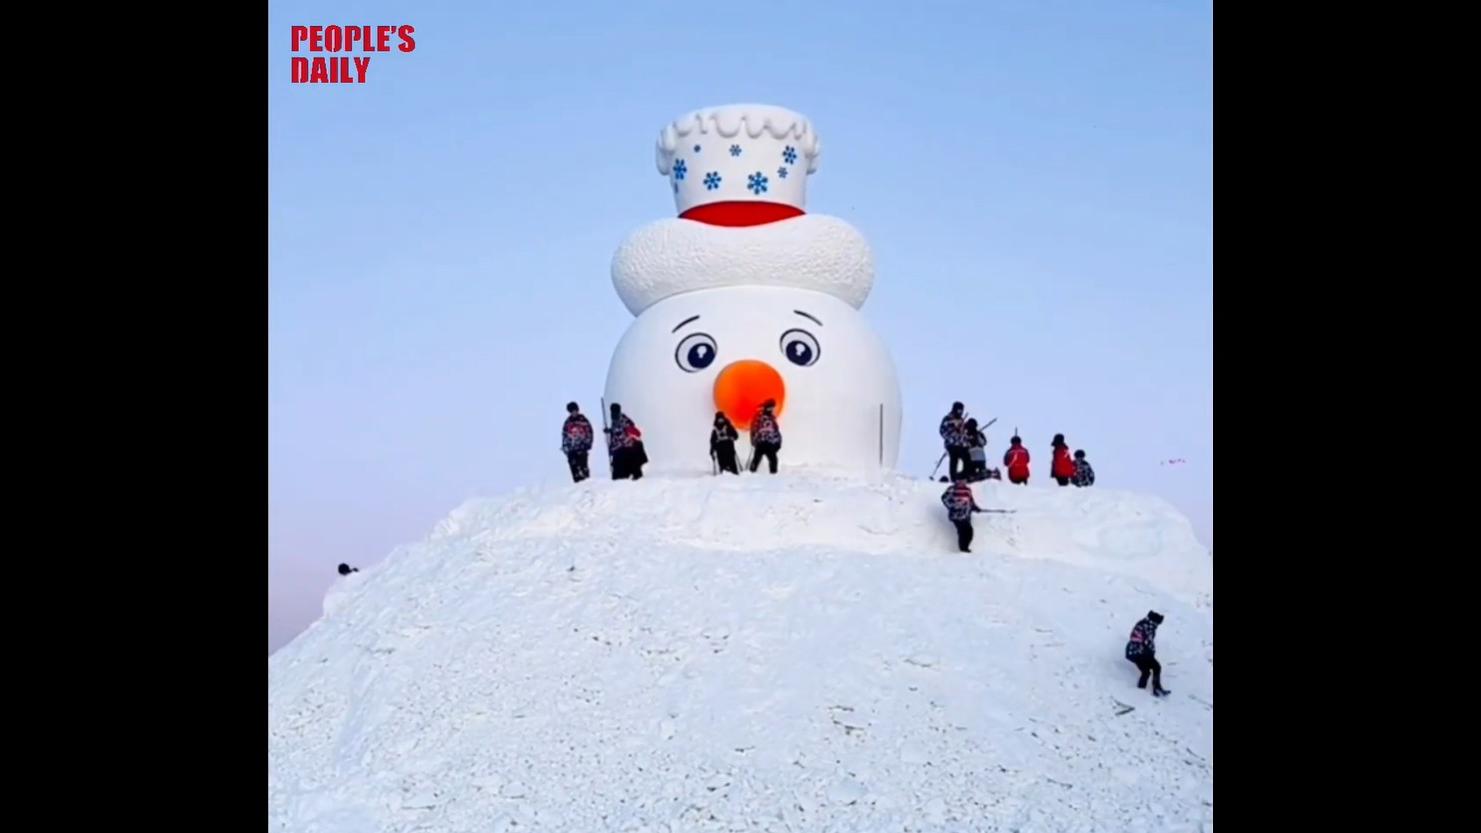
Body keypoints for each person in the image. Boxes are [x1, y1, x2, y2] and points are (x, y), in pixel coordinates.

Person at [1125, 610, 1170, 696]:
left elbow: (1149, 642)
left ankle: (1157, 688)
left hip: (1143, 653)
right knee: (1146, 671)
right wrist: (1146, 651)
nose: (1158, 626)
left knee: (1156, 667)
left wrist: (1151, 652)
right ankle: (1140, 693)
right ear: (1154, 621)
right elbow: (1135, 639)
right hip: (1135, 653)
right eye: (1158, 623)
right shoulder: (1143, 626)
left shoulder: (1150, 626)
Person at [940, 477, 983, 553]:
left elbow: (971, 501)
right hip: (956, 515)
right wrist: (953, 506)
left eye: (963, 480)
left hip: (965, 515)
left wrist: (975, 508)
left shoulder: (967, 490)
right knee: (964, 531)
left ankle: (964, 548)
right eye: (959, 480)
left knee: (969, 531)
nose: (962, 482)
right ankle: (963, 549)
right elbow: (944, 498)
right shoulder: (952, 489)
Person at [606, 403, 645, 480]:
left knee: (630, 473)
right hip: (618, 451)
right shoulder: (614, 421)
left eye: (615, 411)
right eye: (612, 411)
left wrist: (629, 432)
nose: (613, 414)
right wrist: (610, 431)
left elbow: (636, 433)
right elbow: (615, 434)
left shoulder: (625, 421)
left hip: (627, 450)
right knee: (617, 477)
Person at [560, 402, 594, 483]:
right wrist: (565, 447)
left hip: (582, 449)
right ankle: (578, 485)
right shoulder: (567, 423)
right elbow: (565, 436)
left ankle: (586, 484)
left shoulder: (583, 420)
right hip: (572, 450)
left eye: (575, 410)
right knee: (574, 469)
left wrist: (588, 444)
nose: (574, 412)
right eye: (572, 411)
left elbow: (589, 432)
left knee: (583, 468)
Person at [748, 399, 782, 474]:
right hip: (761, 442)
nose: (771, 409)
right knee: (756, 459)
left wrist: (778, 442)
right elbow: (753, 428)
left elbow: (776, 431)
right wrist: (753, 440)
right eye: (770, 408)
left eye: (772, 408)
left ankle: (773, 475)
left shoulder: (772, 418)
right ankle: (750, 474)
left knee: (773, 460)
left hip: (769, 443)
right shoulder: (759, 417)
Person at [939, 402, 970, 480]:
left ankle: (963, 476)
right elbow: (942, 431)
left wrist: (966, 440)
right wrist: (953, 431)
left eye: (961, 411)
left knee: (967, 459)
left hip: (961, 444)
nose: (960, 412)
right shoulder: (948, 419)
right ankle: (953, 478)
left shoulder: (961, 420)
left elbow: (963, 432)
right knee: (954, 461)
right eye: (959, 410)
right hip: (952, 444)